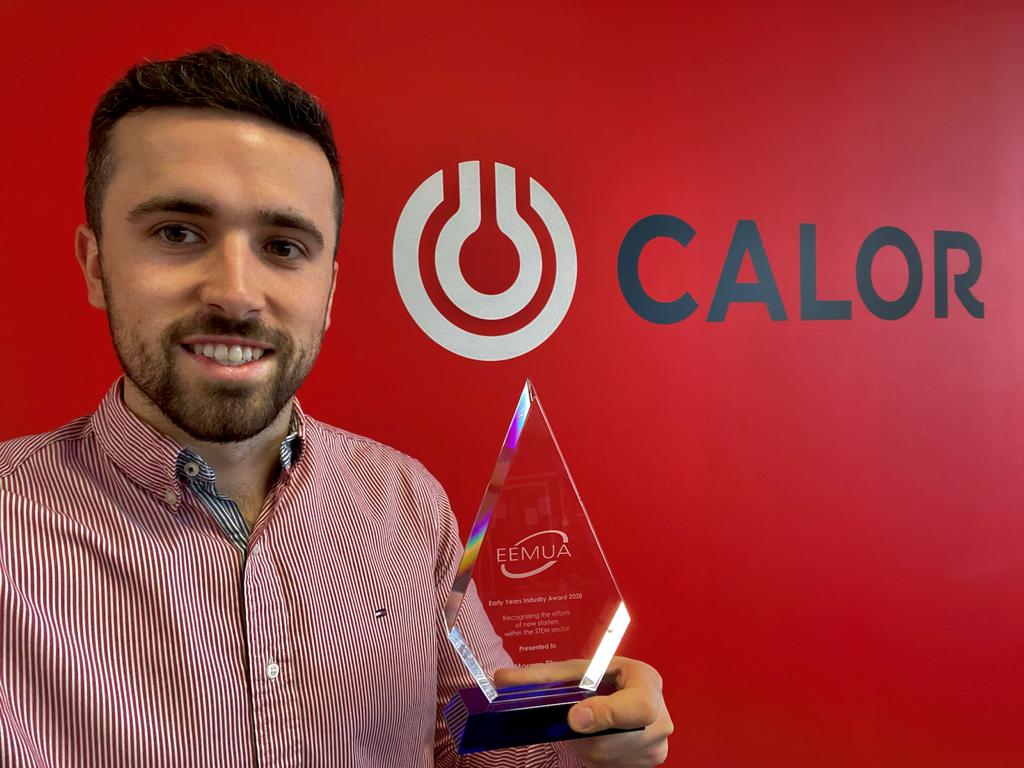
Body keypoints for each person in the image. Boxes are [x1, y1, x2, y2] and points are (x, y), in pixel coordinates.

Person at [0, 48, 672, 767]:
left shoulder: (407, 504)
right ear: (96, 262)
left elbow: (467, 742)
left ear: (327, 291)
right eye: (177, 233)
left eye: (283, 247)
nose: (236, 292)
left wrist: (583, 740)